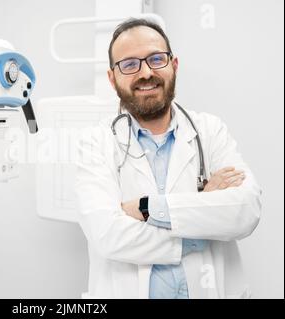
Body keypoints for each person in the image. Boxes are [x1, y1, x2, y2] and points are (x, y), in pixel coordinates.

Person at [74, 18, 261, 299]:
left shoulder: (210, 130)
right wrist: (202, 216)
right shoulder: (95, 143)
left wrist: (148, 208)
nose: (146, 72)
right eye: (129, 64)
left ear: (173, 65)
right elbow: (108, 236)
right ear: (112, 79)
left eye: (156, 59)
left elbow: (245, 210)